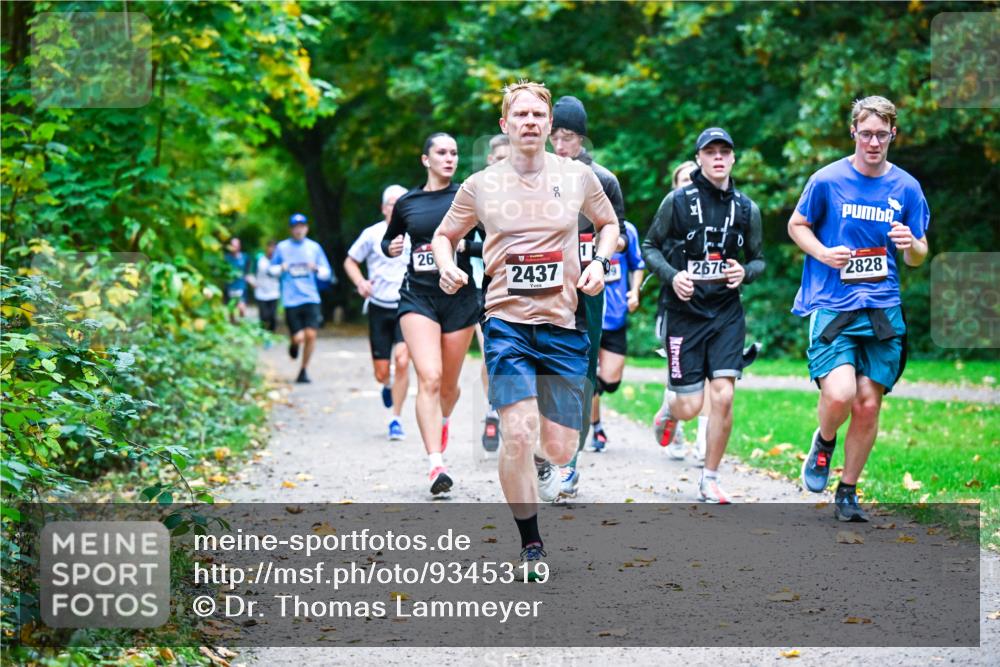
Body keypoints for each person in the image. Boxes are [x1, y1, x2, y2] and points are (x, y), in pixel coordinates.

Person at [432, 81, 619, 575]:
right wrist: (448, 264)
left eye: (539, 114)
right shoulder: (481, 185)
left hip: (563, 322)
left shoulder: (577, 176)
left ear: (549, 124)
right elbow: (445, 235)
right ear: (505, 125)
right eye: (521, 115)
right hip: (506, 322)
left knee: (560, 448)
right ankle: (531, 544)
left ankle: (540, 457)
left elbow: (609, 224)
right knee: (516, 432)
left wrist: (599, 261)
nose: (531, 122)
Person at [789, 96, 929, 522]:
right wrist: (823, 253)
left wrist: (912, 245)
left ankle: (847, 491)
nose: (873, 142)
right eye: (866, 133)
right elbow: (797, 225)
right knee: (840, 393)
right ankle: (825, 441)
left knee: (868, 404)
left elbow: (919, 254)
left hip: (883, 309)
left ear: (893, 134)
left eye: (881, 134)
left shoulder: (906, 187)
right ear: (853, 132)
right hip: (834, 305)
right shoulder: (827, 180)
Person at [642, 127, 766, 504]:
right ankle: (670, 409)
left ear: (732, 159)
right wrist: (673, 275)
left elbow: (759, 260)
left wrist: (745, 272)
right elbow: (650, 247)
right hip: (684, 313)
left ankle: (709, 477)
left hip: (726, 313)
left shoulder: (746, 208)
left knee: (724, 396)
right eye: (709, 151)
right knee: (690, 405)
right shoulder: (677, 201)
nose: (717, 157)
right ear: (698, 158)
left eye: (724, 152)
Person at [381, 133, 480, 496]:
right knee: (431, 378)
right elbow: (389, 240)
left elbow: (493, 240)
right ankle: (435, 463)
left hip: (460, 299)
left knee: (449, 387)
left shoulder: (467, 198)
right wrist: (390, 246)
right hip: (418, 297)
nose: (449, 158)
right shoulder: (408, 202)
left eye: (454, 152)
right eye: (441, 152)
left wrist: (465, 245)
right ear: (426, 159)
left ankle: (444, 420)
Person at [547, 95, 628, 499]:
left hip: (588, 291)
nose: (562, 146)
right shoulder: (532, 176)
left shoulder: (603, 179)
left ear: (582, 139)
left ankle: (570, 463)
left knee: (582, 374)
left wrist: (599, 254)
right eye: (556, 137)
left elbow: (619, 230)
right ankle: (546, 454)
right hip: (543, 289)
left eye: (570, 137)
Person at [345, 184, 412, 441]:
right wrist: (360, 282)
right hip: (378, 307)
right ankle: (386, 384)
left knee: (404, 360)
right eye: (391, 203)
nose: (395, 207)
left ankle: (396, 419)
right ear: (384, 208)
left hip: (407, 305)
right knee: (382, 372)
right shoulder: (372, 234)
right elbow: (350, 260)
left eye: (400, 202)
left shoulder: (414, 232)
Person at [586, 219, 644, 460]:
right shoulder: (580, 227)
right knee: (587, 378)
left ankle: (582, 392)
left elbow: (637, 264)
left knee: (610, 381)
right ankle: (597, 428)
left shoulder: (627, 230)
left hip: (615, 317)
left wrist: (635, 290)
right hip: (586, 317)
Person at [475, 134, 511, 452]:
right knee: (492, 354)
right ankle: (492, 410)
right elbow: (458, 239)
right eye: (499, 158)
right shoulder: (477, 191)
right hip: (485, 287)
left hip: (524, 288)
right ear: (490, 160)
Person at [268, 213, 334, 384]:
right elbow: (271, 270)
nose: (299, 230)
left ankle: (303, 370)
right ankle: (294, 344)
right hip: (291, 299)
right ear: (291, 229)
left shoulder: (314, 248)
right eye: (295, 227)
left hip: (311, 297)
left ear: (306, 228)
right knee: (299, 337)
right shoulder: (282, 248)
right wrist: (281, 267)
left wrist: (317, 269)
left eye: (302, 226)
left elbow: (327, 273)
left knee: (311, 334)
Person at [247, 240, 280, 337]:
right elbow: (251, 273)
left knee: (273, 316)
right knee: (264, 316)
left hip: (274, 292)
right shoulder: (259, 259)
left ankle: (272, 334)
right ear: (267, 248)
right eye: (270, 247)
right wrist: (252, 282)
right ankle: (262, 333)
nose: (272, 250)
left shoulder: (278, 261)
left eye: (274, 248)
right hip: (261, 293)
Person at [223, 237, 249, 321]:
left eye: (236, 245)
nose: (234, 247)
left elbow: (247, 271)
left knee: (241, 308)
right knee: (231, 309)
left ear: (239, 246)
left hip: (241, 286)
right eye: (233, 245)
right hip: (230, 286)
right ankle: (233, 325)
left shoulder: (244, 257)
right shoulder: (226, 258)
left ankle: (242, 324)